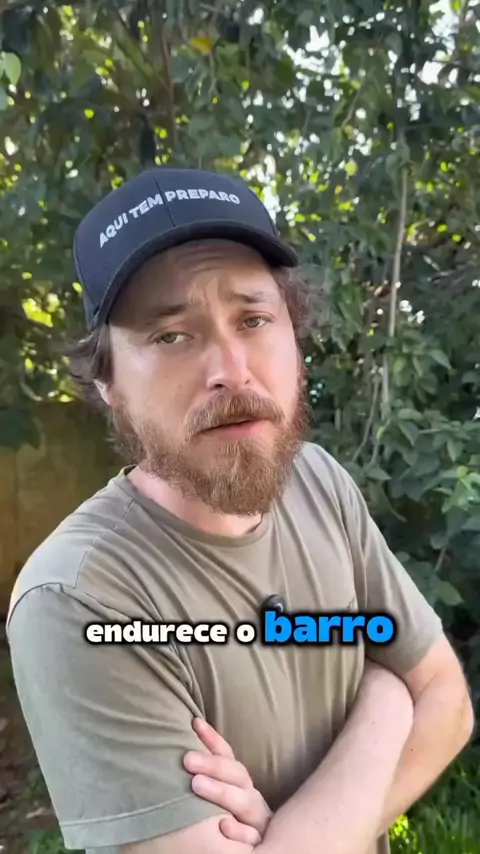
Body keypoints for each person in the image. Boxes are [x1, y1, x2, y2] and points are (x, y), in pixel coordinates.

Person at [6, 167, 473, 854]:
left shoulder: (318, 483)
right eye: (171, 336)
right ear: (108, 382)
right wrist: (389, 701)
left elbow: (448, 703)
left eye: (253, 320)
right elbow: (418, 691)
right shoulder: (78, 598)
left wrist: (297, 833)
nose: (231, 368)